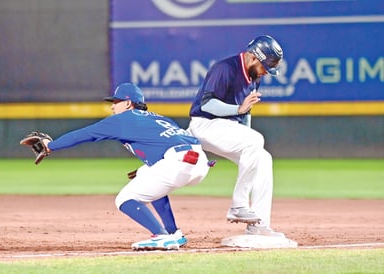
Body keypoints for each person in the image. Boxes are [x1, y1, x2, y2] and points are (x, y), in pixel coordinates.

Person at [42, 82, 211, 250]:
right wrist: (146, 170)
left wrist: (51, 145)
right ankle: (173, 233)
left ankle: (162, 236)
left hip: (179, 162)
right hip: (199, 162)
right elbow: (167, 145)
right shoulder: (159, 117)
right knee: (146, 176)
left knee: (125, 199)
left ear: (128, 103)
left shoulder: (123, 119)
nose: (112, 107)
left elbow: (84, 134)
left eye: (116, 102)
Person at [187, 35, 285, 237]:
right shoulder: (225, 68)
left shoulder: (254, 77)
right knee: (255, 140)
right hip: (204, 125)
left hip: (228, 129)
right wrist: (238, 109)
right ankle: (239, 205)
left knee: (263, 158)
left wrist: (243, 119)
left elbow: (244, 113)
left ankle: (259, 225)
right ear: (254, 58)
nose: (266, 73)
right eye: (265, 67)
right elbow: (207, 104)